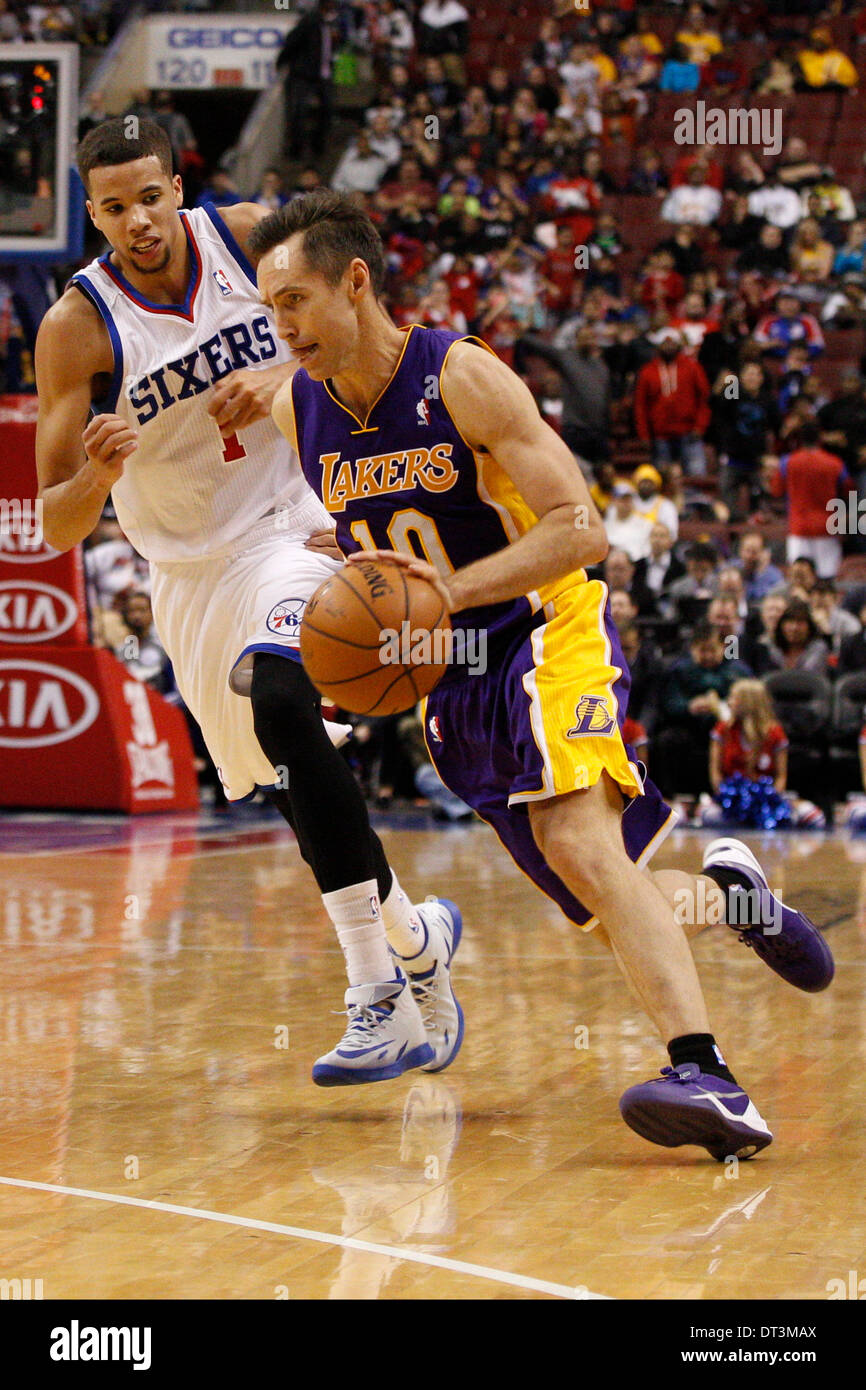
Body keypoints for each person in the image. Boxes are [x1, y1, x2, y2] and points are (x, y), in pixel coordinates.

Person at [252, 190, 834, 1161]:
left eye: (296, 301)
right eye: (270, 310)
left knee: (576, 836)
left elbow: (580, 530)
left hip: (538, 622)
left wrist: (447, 584)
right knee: (599, 898)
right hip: (448, 674)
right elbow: (371, 539)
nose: (284, 327)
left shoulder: (463, 376)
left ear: (356, 281)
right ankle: (734, 897)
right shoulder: (292, 406)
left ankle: (707, 1075)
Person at [34, 119, 462, 1089]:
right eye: (112, 207)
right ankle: (413, 932)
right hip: (186, 571)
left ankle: (374, 996)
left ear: (176, 185)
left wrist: (280, 375)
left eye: (150, 196)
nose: (137, 220)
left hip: (294, 522)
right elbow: (57, 522)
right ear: (90, 212)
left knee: (280, 698)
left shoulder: (247, 238)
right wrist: (95, 478)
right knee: (284, 773)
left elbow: (361, 318)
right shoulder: (79, 326)